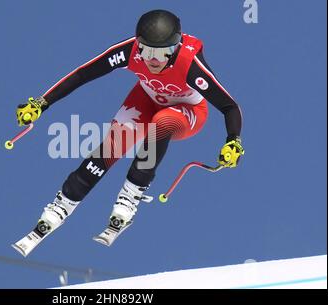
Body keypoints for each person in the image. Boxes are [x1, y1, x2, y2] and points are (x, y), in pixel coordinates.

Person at [15, 9, 244, 240]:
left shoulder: (190, 65)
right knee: (112, 146)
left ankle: (131, 194)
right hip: (146, 99)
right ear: (138, 44)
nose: (154, 59)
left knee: (162, 122)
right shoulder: (129, 51)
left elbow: (229, 106)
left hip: (188, 111)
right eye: (147, 50)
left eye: (163, 52)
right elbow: (83, 74)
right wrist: (42, 103)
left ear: (175, 49)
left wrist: (233, 141)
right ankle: (63, 204)